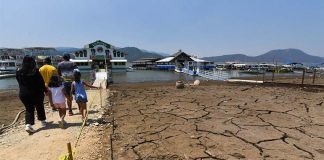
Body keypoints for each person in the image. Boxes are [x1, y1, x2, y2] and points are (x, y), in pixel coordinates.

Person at [16, 55, 47, 133]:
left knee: (29, 108)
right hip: (36, 93)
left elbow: (19, 81)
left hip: (23, 94)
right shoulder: (35, 71)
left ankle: (28, 125)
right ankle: (43, 121)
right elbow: (41, 83)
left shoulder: (18, 71)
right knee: (39, 106)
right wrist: (45, 90)